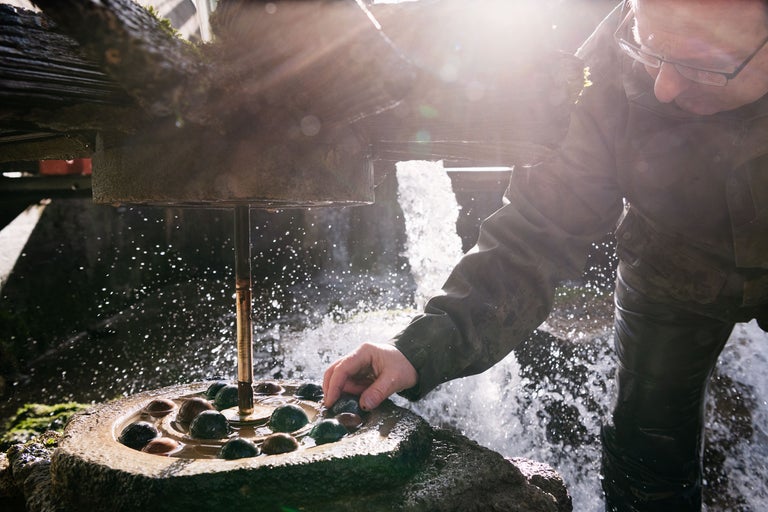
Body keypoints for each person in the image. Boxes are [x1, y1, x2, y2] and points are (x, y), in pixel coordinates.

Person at [323, 0, 768, 510]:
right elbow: (537, 230)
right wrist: (416, 350)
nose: (663, 87)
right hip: (671, 258)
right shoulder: (607, 67)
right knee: (646, 451)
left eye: (700, 65)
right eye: (648, 48)